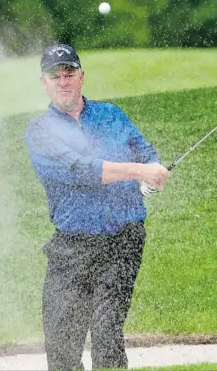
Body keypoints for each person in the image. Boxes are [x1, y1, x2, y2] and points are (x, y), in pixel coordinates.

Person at [24, 43, 170, 371]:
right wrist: (138, 171)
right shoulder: (40, 133)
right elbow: (80, 169)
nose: (63, 81)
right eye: (54, 75)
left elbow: (144, 151)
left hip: (122, 241)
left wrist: (152, 172)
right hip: (72, 247)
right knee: (62, 349)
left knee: (106, 333)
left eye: (69, 73)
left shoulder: (112, 115)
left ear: (81, 77)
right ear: (43, 83)